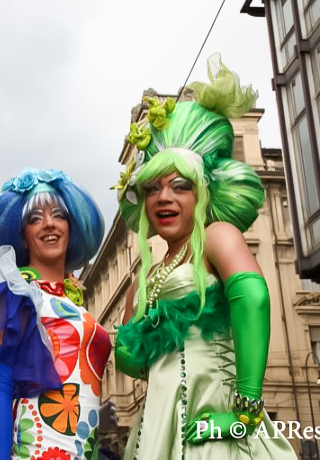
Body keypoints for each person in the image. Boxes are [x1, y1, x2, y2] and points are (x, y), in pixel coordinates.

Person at [113, 54, 296, 459]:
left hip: (213, 426)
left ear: (202, 192)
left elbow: (253, 297)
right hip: (156, 430)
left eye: (179, 185)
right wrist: (130, 335)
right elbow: (132, 361)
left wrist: (245, 412)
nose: (164, 197)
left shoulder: (216, 235)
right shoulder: (148, 275)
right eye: (153, 189)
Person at [0, 168, 111, 459]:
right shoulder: (10, 299)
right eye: (35, 219)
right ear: (23, 237)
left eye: (58, 215)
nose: (48, 224)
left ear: (71, 228)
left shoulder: (77, 306)